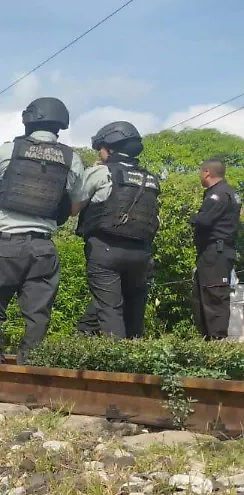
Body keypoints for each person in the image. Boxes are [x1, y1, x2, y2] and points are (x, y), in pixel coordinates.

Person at [0, 97, 83, 363]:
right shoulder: (71, 159)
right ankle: (27, 367)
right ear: (60, 124)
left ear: (28, 120)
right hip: (43, 248)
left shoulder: (7, 150)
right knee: (37, 313)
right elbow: (74, 207)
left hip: (3, 246)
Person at [73, 121, 160, 339]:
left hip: (106, 249)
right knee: (134, 311)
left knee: (110, 310)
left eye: (99, 148)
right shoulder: (150, 179)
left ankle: (117, 365)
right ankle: (136, 365)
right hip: (141, 253)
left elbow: (74, 208)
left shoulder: (100, 172)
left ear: (109, 148)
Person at [190, 158, 242, 339]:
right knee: (202, 299)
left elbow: (203, 220)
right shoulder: (228, 192)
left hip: (216, 252)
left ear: (207, 172)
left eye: (200, 172)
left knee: (214, 299)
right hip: (212, 253)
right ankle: (207, 343)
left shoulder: (218, 194)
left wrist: (194, 215)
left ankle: (217, 345)